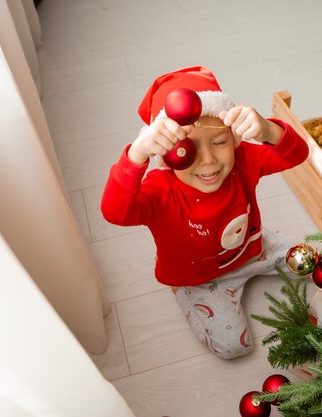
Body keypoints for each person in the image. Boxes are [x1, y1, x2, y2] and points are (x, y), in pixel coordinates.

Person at [101, 66, 309, 359]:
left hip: (253, 248)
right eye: (188, 149)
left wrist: (268, 129)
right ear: (166, 154)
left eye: (219, 142)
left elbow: (297, 155)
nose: (208, 160)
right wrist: (137, 154)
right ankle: (182, 292)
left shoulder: (243, 160)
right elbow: (114, 212)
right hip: (202, 279)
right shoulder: (161, 189)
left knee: (316, 261)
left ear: (234, 139)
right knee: (235, 347)